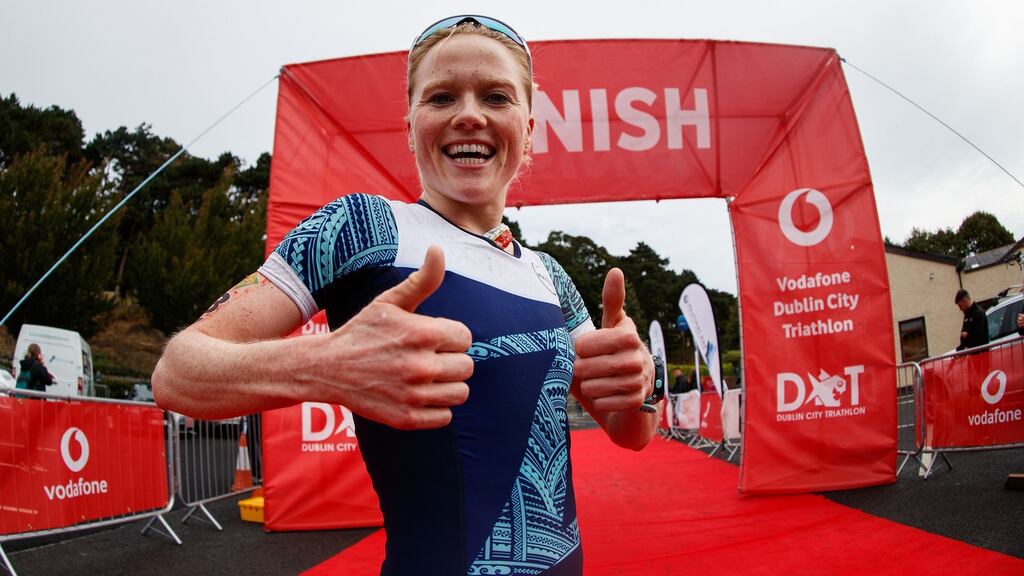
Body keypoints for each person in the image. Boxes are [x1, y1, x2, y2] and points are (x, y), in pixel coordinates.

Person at [152, 15, 656, 575]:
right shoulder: (361, 226)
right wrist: (323, 365)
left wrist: (640, 386)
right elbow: (177, 373)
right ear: (411, 124)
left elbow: (629, 432)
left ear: (528, 126)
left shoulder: (550, 274)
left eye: (495, 96)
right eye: (442, 97)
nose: (469, 114)